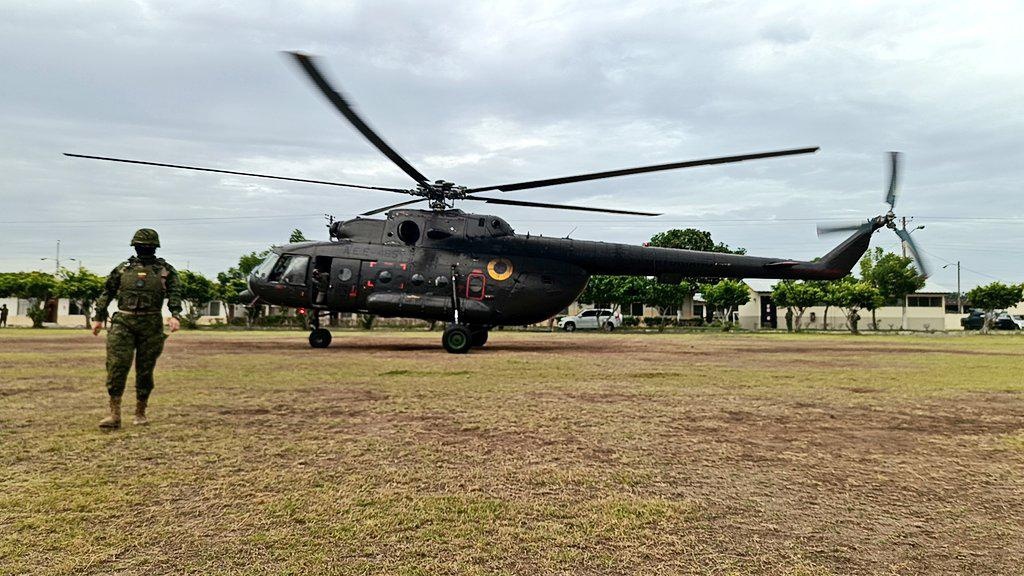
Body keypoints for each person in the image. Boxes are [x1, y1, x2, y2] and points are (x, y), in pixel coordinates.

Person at [92, 228, 182, 429]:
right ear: (135, 247)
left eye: (148, 247)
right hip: (123, 322)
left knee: (145, 370)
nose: (144, 249)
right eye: (141, 246)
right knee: (116, 367)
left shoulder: (165, 270)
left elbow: (175, 293)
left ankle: (140, 413)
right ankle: (114, 415)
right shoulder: (123, 269)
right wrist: (98, 317)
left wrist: (175, 315)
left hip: (150, 324)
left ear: (155, 248)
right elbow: (107, 291)